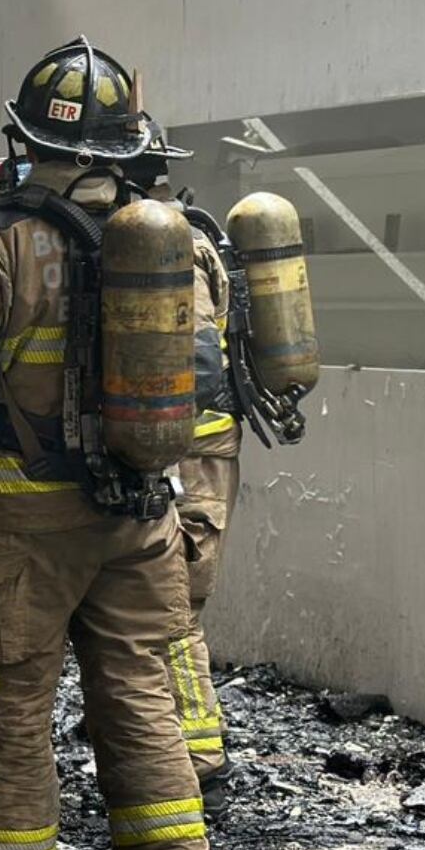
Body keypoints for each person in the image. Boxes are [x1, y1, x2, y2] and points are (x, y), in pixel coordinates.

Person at [0, 38, 211, 850]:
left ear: (30, 141)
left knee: (15, 702)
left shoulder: (0, 242)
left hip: (25, 520)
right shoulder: (163, 238)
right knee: (139, 679)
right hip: (142, 513)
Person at [160, 198, 241, 811]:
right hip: (189, 454)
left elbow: (198, 365)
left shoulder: (171, 247)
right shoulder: (187, 239)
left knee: (176, 611)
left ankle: (201, 761)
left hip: (192, 455)